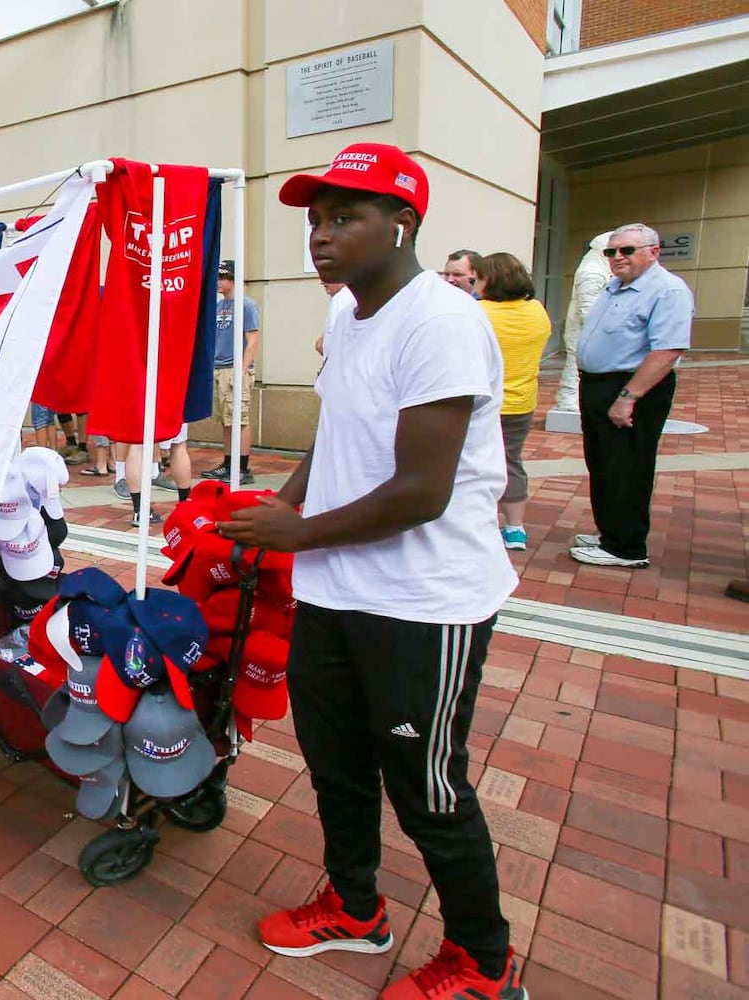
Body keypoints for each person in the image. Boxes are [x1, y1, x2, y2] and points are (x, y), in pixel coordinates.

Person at [221, 144, 525, 1000]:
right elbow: (339, 440)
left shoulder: (441, 322)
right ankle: (355, 908)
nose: (319, 237)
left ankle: (482, 962)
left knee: (426, 789)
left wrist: (298, 530)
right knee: (337, 767)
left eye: (343, 218)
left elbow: (421, 492)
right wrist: (272, 519)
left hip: (421, 602)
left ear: (403, 224)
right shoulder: (352, 316)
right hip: (335, 590)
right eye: (314, 220)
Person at [571, 222, 691, 569]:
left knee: (626, 466)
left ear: (653, 252)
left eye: (627, 250)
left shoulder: (668, 291)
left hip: (631, 388)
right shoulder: (616, 286)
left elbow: (667, 350)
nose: (617, 257)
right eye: (611, 251)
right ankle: (611, 533)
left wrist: (628, 396)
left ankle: (627, 546)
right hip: (598, 385)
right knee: (603, 462)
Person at [475, 253, 550, 552]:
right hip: (522, 402)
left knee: (473, 466)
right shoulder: (537, 311)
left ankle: (477, 526)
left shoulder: (480, 312)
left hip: (483, 404)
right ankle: (515, 529)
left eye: (479, 278)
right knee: (511, 461)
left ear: (490, 280)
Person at [203, 260, 260, 484]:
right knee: (226, 420)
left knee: (240, 418)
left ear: (233, 279)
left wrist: (241, 371)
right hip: (219, 367)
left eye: (222, 277)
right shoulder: (219, 306)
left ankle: (242, 468)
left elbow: (253, 339)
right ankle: (228, 463)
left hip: (235, 368)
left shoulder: (246, 304)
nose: (218, 282)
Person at [554, 232, 611, 413]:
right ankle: (568, 401)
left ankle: (571, 400)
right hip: (583, 329)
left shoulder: (599, 268)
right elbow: (588, 309)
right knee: (574, 366)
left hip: (589, 328)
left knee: (578, 366)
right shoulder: (592, 271)